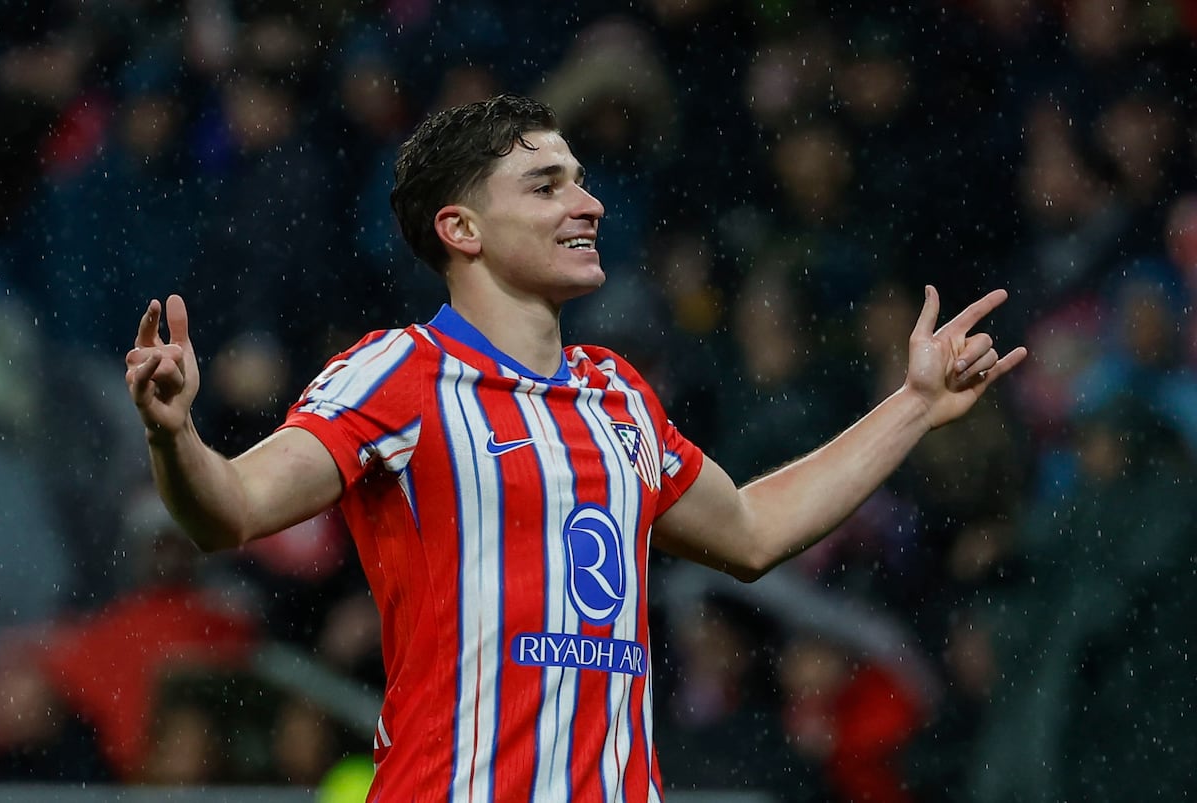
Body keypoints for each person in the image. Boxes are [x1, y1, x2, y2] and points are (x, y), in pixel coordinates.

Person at [124, 93, 1027, 802]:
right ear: (461, 229)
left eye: (581, 180)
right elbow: (230, 510)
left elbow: (753, 529)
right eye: (547, 185)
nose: (588, 203)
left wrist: (911, 405)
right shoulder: (399, 372)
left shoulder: (618, 393)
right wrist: (175, 438)